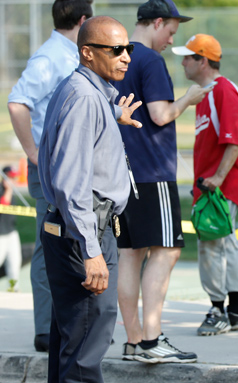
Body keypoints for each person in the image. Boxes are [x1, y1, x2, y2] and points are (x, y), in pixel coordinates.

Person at [37, 15, 141, 383]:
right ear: (87, 53)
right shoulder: (83, 98)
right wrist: (91, 249)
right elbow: (71, 182)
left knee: (74, 342)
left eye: (127, 48)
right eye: (115, 49)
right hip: (83, 233)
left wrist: (115, 115)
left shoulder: (87, 93)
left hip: (82, 230)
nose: (125, 56)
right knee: (84, 350)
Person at [112, 0, 207, 364]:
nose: (170, 39)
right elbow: (160, 113)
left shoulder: (119, 56)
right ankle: (152, 340)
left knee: (130, 254)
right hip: (153, 171)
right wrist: (188, 98)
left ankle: (134, 340)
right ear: (155, 23)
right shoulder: (151, 61)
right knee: (167, 250)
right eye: (170, 30)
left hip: (123, 172)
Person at [7, 0, 94, 352]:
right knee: (50, 244)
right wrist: (32, 152)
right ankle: (47, 328)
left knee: (75, 241)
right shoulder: (50, 58)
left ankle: (73, 323)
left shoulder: (71, 55)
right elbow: (17, 102)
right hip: (51, 166)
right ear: (84, 20)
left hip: (72, 165)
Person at [172, 34, 238, 336]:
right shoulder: (205, 93)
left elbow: (235, 142)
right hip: (211, 184)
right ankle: (236, 310)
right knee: (224, 243)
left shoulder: (223, 92)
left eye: (188, 57)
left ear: (203, 61)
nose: (183, 62)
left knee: (212, 245)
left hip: (219, 187)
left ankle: (219, 309)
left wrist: (217, 179)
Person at [0, 166, 22, 292]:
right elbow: (3, 205)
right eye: (11, 177)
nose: (13, 180)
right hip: (1, 234)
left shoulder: (12, 191)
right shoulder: (2, 190)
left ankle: (14, 288)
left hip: (12, 232)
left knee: (14, 263)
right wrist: (7, 190)